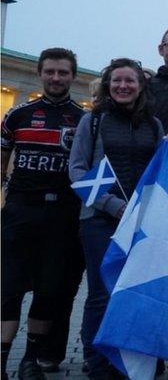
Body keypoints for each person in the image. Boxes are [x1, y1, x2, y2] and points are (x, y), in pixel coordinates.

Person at [69, 58, 163, 380]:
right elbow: (77, 171)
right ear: (109, 85)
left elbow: (161, 170)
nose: (123, 86)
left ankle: (128, 360)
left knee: (136, 290)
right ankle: (97, 364)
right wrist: (112, 205)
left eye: (130, 81)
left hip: (141, 221)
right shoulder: (92, 121)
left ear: (140, 86)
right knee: (101, 293)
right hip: (99, 219)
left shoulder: (154, 124)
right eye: (116, 81)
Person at [1, 48, 86, 380]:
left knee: (49, 289)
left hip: (61, 215)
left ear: (72, 76)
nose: (56, 77)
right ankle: (4, 358)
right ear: (40, 73)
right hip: (21, 211)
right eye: (50, 71)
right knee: (9, 288)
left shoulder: (83, 119)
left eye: (62, 72)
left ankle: (30, 360)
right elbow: (4, 155)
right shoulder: (18, 115)